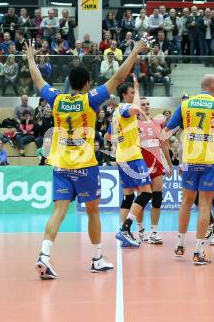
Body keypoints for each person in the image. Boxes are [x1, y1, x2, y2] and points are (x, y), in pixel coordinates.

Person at [27, 36, 148, 280]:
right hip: (85, 165)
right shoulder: (89, 99)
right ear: (87, 83)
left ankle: (44, 255)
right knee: (93, 211)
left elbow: (38, 79)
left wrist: (30, 56)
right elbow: (118, 78)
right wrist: (135, 51)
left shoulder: (57, 99)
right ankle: (96, 258)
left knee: (59, 210)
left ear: (69, 83)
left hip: (60, 164)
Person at [161, 74, 214, 265]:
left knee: (186, 202)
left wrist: (174, 157)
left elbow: (164, 135)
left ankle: (180, 244)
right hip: (211, 161)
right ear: (213, 86)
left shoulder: (186, 104)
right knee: (204, 205)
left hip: (189, 161)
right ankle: (198, 251)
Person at [110, 81, 153, 248]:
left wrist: (130, 134)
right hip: (132, 156)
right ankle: (125, 228)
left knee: (128, 196)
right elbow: (135, 109)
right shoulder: (124, 108)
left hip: (122, 155)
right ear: (124, 95)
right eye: (131, 93)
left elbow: (109, 136)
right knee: (146, 193)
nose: (134, 95)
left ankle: (125, 234)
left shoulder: (116, 112)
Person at [135, 97, 173, 244]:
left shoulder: (156, 124)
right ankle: (140, 230)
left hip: (157, 164)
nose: (145, 106)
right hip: (141, 165)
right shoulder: (133, 124)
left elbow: (163, 145)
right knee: (142, 199)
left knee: (157, 199)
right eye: (142, 104)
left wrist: (169, 164)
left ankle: (154, 232)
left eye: (147, 104)